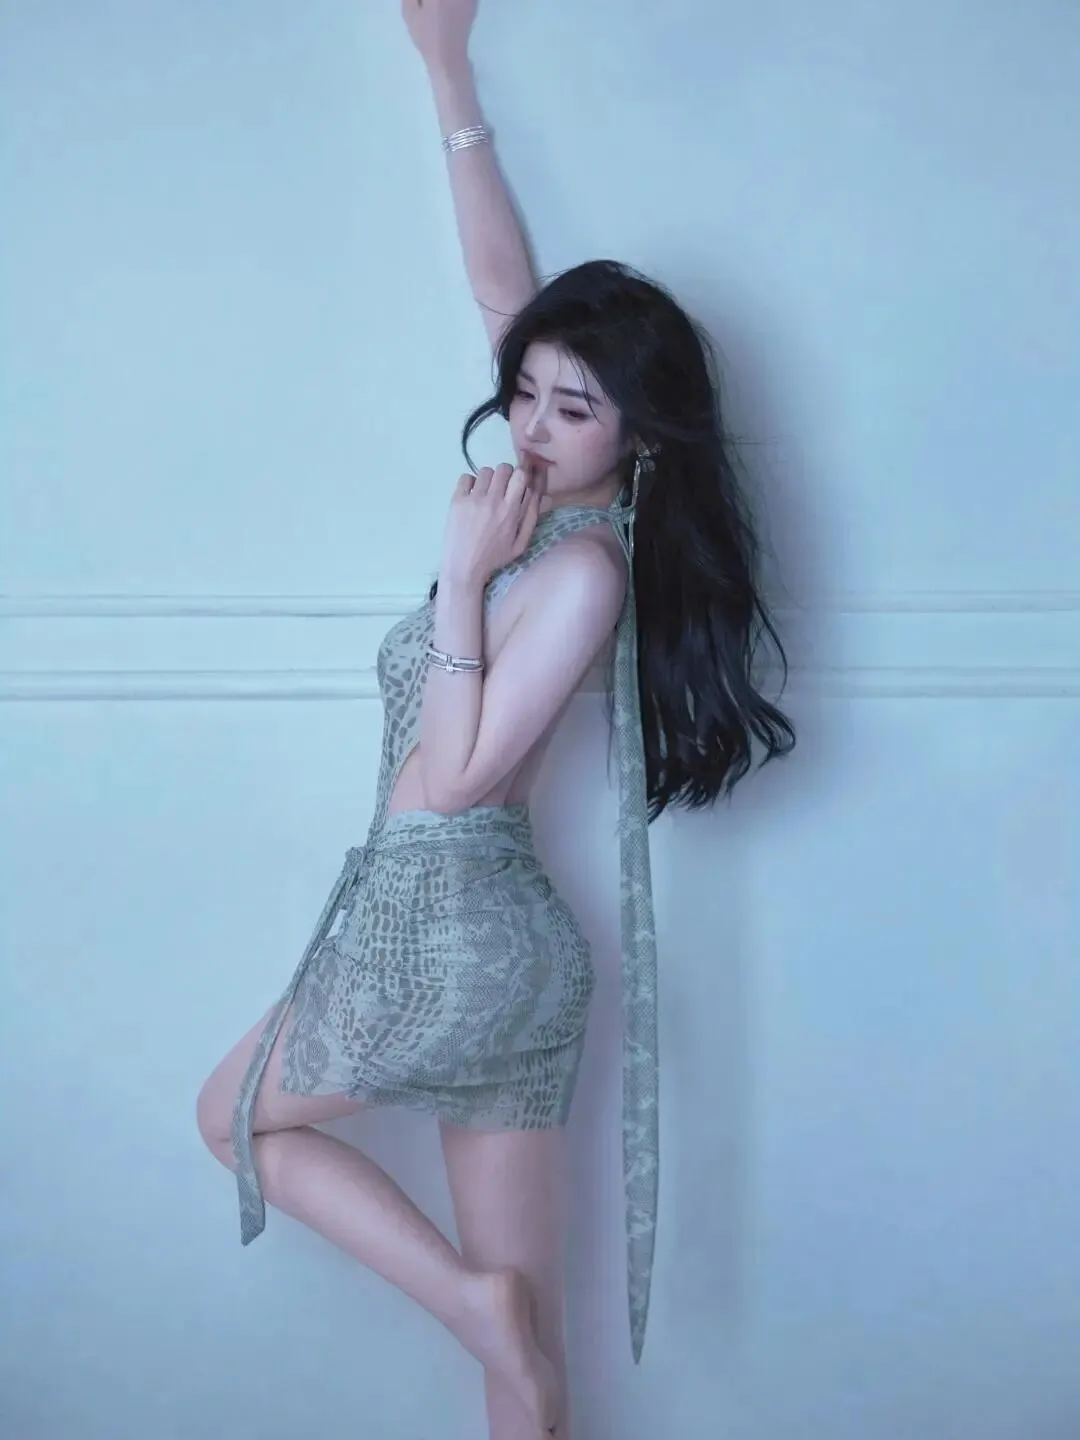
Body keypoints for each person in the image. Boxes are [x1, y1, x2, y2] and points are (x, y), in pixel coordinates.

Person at [195, 2, 796, 1436]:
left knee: (231, 1118)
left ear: (640, 433)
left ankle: (471, 1304)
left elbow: (459, 780)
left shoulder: (580, 572)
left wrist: (462, 580)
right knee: (531, 1371)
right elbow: (503, 290)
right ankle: (493, 1326)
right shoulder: (547, 505)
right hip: (509, 957)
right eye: (523, 393)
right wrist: (447, 70)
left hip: (442, 924)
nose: (528, 422)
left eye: (571, 409)